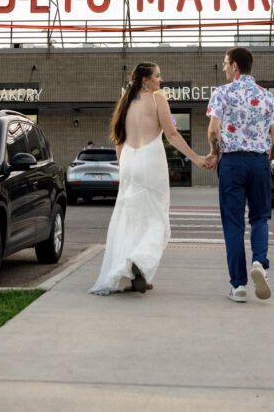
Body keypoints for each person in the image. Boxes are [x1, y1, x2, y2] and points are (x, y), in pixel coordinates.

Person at [89, 62, 210, 295]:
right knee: (155, 217)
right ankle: (139, 262)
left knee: (130, 219)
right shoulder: (157, 99)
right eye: (157, 76)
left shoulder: (125, 103)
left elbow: (119, 141)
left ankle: (131, 270)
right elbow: (172, 135)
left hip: (129, 162)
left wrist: (123, 166)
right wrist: (196, 158)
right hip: (150, 160)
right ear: (145, 80)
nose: (160, 80)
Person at [207, 47, 274, 303]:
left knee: (233, 223)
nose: (223, 68)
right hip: (259, 162)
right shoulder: (266, 96)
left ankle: (239, 286)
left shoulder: (221, 93)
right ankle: (259, 262)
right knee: (259, 218)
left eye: (225, 63)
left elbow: (213, 130)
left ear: (234, 66)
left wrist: (215, 152)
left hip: (232, 162)